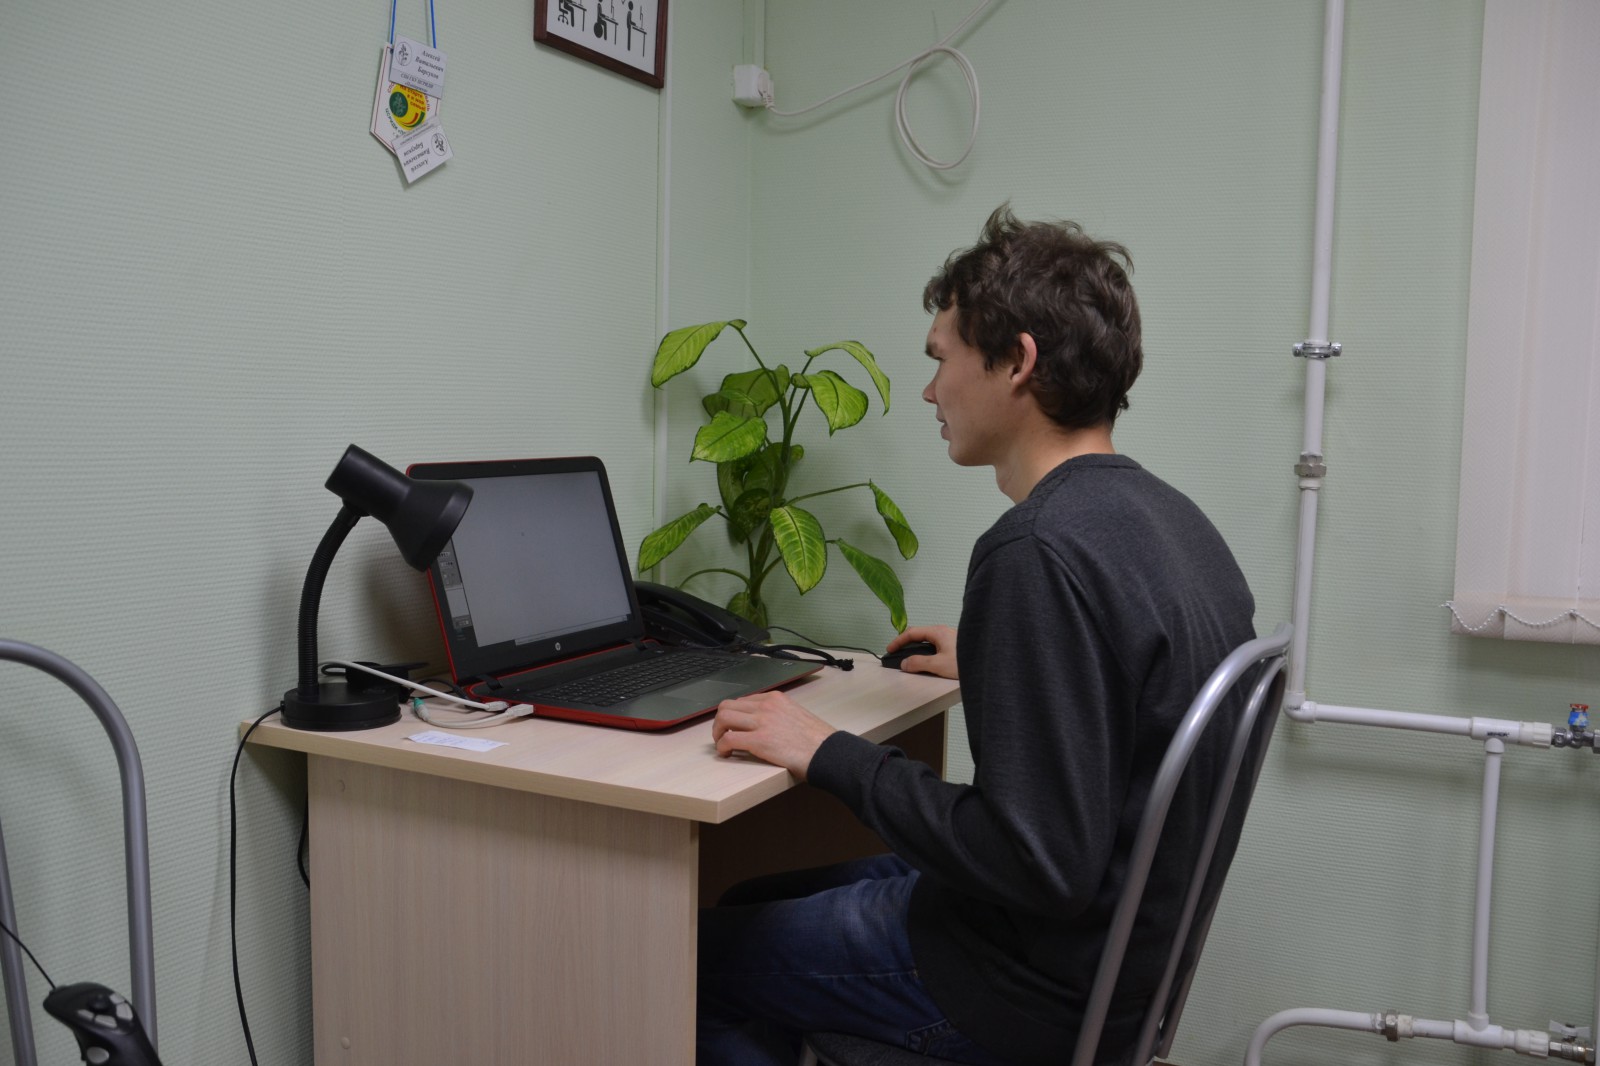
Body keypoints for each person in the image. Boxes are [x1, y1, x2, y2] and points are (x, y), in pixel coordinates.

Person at [698, 205, 1257, 1065]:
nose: (930, 391)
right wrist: (1010, 660)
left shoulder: (1037, 548)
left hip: (1021, 986)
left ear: (1017, 362)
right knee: (748, 900)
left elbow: (1036, 862)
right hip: (1109, 970)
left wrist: (828, 752)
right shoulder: (1173, 521)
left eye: (940, 358)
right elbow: (1136, 691)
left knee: (693, 960)